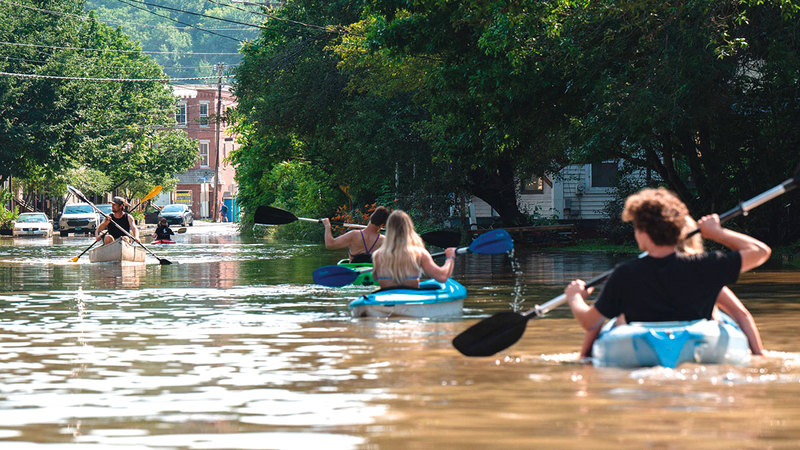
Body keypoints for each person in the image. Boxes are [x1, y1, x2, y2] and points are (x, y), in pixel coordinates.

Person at [565, 187, 771, 358]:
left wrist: (575, 297)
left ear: (643, 232)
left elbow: (589, 322)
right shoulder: (706, 266)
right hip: (698, 346)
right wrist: (718, 233)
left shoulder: (625, 274)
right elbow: (761, 252)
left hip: (641, 351)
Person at [371, 210, 457, 289]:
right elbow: (442, 277)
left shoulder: (377, 255)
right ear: (409, 228)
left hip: (385, 299)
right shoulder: (419, 253)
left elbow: (375, 277)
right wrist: (450, 258)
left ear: (388, 230)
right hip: (412, 299)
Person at [321, 206, 390, 263]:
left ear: (371, 216)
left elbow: (329, 244)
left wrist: (327, 226)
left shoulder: (353, 235)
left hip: (354, 273)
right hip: (373, 274)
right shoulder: (384, 240)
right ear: (383, 225)